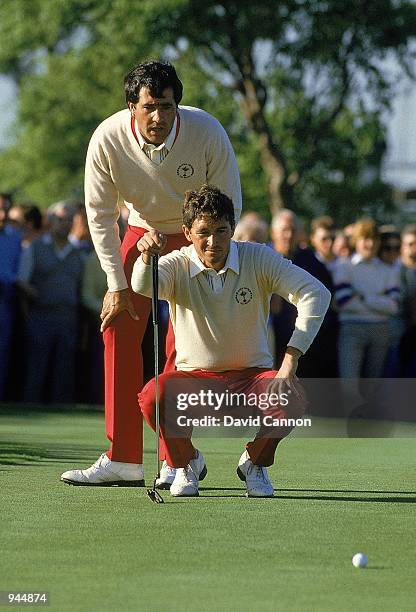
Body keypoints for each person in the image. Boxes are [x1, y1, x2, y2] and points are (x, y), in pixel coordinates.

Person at [60, 60, 241, 486]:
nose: (159, 117)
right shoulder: (107, 138)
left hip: (196, 235)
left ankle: (177, 459)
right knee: (116, 324)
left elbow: (229, 203)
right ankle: (123, 458)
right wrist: (115, 284)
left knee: (184, 344)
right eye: (149, 107)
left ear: (178, 105)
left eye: (167, 106)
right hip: (140, 232)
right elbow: (100, 216)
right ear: (131, 107)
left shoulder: (207, 130)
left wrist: (211, 255)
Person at [131, 185, 330, 497]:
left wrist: (290, 359)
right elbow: (143, 286)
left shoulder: (258, 257)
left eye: (222, 231)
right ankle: (186, 463)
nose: (213, 242)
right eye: (203, 232)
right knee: (152, 396)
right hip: (195, 380)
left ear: (233, 228)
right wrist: (145, 256)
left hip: (252, 377)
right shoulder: (175, 262)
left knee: (292, 397)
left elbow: (316, 293)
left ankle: (254, 462)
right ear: (186, 231)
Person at [17, 202, 84, 403]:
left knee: (65, 369)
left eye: (69, 221)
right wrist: (38, 296)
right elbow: (22, 281)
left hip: (68, 317)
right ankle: (30, 410)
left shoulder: (78, 252)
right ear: (51, 220)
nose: (65, 224)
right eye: (61, 219)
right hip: (41, 315)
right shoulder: (36, 247)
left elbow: (81, 287)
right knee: (36, 367)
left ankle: (61, 413)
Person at [269, 209, 338, 377]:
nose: (289, 235)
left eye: (293, 230)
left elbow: (325, 295)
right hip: (271, 340)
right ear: (273, 233)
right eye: (284, 230)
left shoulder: (310, 260)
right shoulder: (262, 258)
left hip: (305, 343)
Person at [0, 193, 22, 400]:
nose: (2, 214)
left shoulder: (15, 237)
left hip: (5, 300)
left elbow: (18, 272)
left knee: (3, 353)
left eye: (5, 209)